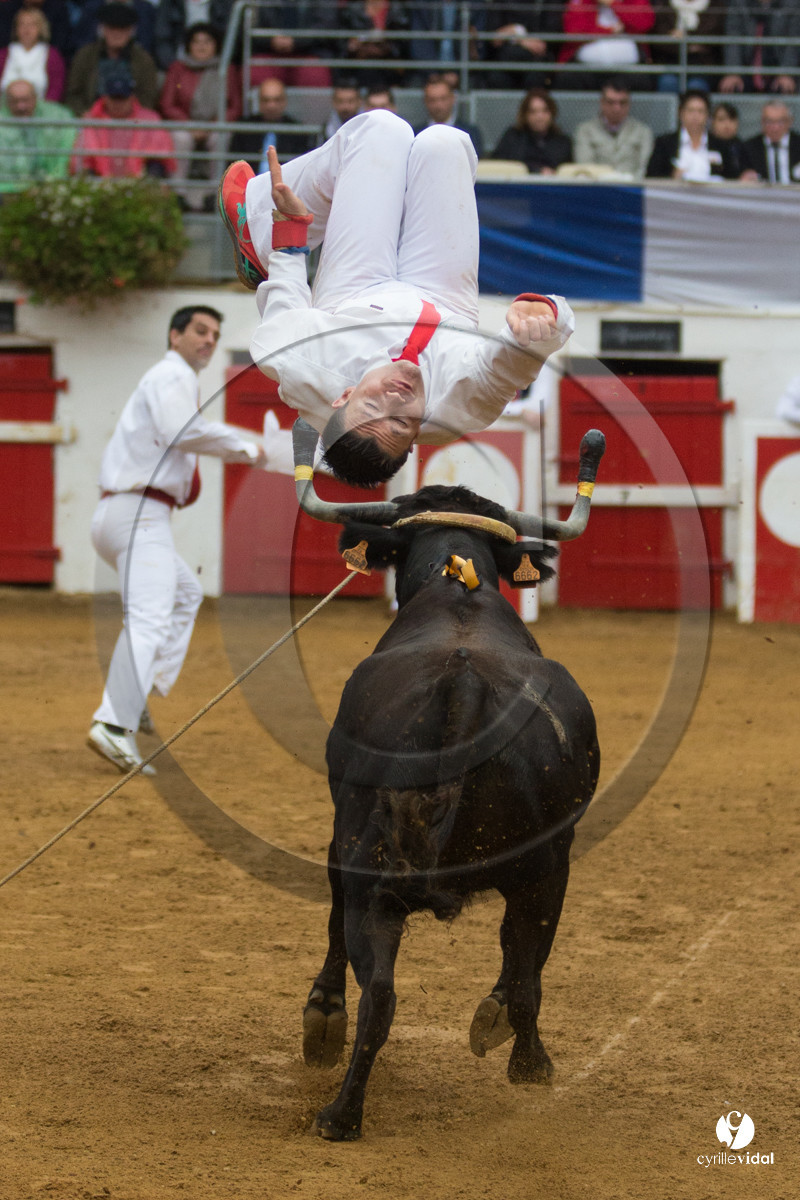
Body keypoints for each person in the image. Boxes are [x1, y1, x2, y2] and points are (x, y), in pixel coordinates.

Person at [218, 110, 573, 487]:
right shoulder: (463, 409)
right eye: (402, 423)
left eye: (371, 406)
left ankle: (251, 222)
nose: (396, 398)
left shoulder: (303, 365)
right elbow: (516, 359)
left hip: (356, 290)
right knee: (445, 144)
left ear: (343, 397)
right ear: (416, 438)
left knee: (381, 130)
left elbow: (284, 307)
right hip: (445, 300)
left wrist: (287, 237)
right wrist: (543, 318)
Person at [87, 306, 270, 775]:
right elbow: (180, 433)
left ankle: (135, 694)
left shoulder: (169, 378)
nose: (208, 340)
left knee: (185, 594)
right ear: (175, 336)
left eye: (215, 333)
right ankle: (112, 723)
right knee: (149, 618)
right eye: (199, 331)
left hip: (123, 512)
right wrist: (247, 449)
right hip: (140, 515)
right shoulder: (172, 375)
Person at [159, 22, 241, 211]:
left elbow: (235, 106)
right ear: (188, 46)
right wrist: (189, 125)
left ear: (216, 45)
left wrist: (213, 125)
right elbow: (167, 104)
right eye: (196, 42)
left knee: (220, 137)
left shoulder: (226, 69)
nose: (202, 46)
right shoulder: (178, 68)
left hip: (216, 125)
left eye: (207, 41)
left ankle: (214, 194)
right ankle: (178, 194)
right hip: (185, 124)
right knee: (180, 138)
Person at [71, 62, 176, 178]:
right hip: (99, 183)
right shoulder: (91, 120)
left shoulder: (149, 119)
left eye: (122, 98)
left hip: (139, 185)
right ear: (105, 97)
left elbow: (160, 159)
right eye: (114, 98)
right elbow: (81, 161)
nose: (118, 103)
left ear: (132, 97)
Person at [66, 2, 158, 116]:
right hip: (91, 119)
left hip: (131, 122)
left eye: (122, 29)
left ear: (131, 31)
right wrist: (85, 113)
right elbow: (73, 94)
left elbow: (148, 97)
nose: (116, 33)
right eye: (112, 28)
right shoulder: (85, 55)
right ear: (102, 29)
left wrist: (133, 116)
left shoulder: (144, 60)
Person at [558, 0, 655, 89]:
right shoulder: (582, 2)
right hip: (585, 69)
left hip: (628, 69)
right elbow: (574, 31)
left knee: (645, 80)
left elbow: (645, 23)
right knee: (567, 79)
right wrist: (609, 31)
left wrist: (613, 4)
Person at [0, 77, 75, 191]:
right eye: (15, 101)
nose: (21, 106)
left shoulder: (58, 116)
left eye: (25, 100)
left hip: (48, 187)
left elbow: (64, 158)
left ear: (35, 98)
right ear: (6, 102)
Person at [645, 88, 738, 180]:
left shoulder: (720, 145)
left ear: (707, 116)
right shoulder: (664, 143)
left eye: (700, 111)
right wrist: (673, 176)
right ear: (680, 114)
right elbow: (652, 175)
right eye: (690, 110)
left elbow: (731, 178)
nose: (695, 116)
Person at [573, 76, 654, 178]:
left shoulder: (643, 131)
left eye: (622, 103)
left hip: (632, 189)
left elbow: (645, 168)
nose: (617, 108)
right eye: (611, 102)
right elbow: (585, 167)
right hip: (597, 189)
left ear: (629, 104)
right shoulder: (585, 130)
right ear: (602, 102)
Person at [229, 78, 315, 173]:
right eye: (266, 100)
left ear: (285, 101)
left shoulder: (299, 132)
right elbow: (233, 167)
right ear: (259, 102)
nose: (271, 105)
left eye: (276, 100)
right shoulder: (244, 129)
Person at [720, 0, 800, 96]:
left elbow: (793, 43)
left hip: (779, 68)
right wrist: (733, 72)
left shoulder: (792, 4)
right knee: (731, 87)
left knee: (786, 88)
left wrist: (787, 73)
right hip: (747, 70)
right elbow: (733, 39)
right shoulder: (739, 3)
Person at [249, 2, 337, 89]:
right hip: (271, 52)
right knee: (255, 72)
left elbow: (325, 26)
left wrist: (296, 41)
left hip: (309, 52)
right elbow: (253, 27)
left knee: (316, 75)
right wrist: (271, 40)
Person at [481, 2, 563, 91]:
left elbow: (545, 40)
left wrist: (514, 33)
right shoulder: (500, 3)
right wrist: (522, 37)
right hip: (504, 60)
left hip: (536, 60)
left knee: (536, 77)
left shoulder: (548, 4)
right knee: (496, 78)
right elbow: (495, 38)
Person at [491, 88, 572, 174]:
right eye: (533, 112)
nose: (539, 117)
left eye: (545, 111)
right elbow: (497, 165)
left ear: (552, 113)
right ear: (525, 115)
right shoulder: (512, 137)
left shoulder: (563, 142)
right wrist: (536, 170)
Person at [650, 0, 723, 94]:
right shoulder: (664, 3)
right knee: (668, 83)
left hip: (703, 64)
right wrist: (692, 45)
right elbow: (660, 36)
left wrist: (681, 36)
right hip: (670, 62)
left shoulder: (714, 4)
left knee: (696, 86)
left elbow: (712, 33)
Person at [0, 6, 65, 103]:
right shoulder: (3, 54)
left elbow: (56, 88)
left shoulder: (52, 55)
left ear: (41, 28)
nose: (27, 29)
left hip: (41, 111)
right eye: (22, 24)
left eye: (32, 25)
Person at [413, 75, 483, 158]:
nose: (438, 105)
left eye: (443, 99)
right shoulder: (415, 134)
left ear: (453, 98)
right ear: (425, 101)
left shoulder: (471, 133)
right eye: (432, 100)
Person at [153, 0, 233, 71]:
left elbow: (232, 40)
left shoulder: (225, 3)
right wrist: (172, 66)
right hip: (179, 64)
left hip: (218, 66)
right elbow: (162, 39)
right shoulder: (170, 3)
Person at [741, 101, 800, 184]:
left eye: (780, 122)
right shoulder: (750, 147)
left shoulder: (798, 143)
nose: (775, 128)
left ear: (790, 122)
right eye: (769, 122)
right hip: (763, 195)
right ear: (762, 122)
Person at [710, 101, 748, 178]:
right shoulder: (704, 144)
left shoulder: (744, 148)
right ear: (712, 122)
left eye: (731, 119)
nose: (727, 124)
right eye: (721, 120)